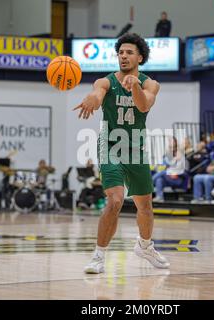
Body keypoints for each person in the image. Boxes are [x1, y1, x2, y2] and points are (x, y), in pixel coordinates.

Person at [73, 33, 168, 274]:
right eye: (121, 52)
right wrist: (92, 99)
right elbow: (97, 93)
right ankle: (98, 255)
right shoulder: (106, 81)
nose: (123, 56)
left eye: (129, 53)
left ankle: (145, 246)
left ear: (140, 57)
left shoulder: (150, 84)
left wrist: (134, 85)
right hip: (111, 146)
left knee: (145, 206)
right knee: (114, 201)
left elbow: (144, 105)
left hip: (135, 146)